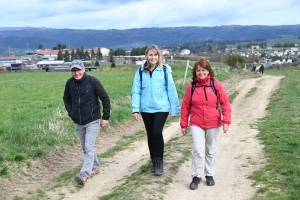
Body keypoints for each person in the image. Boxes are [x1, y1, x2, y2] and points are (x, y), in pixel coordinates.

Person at [180, 58, 231, 190]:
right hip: (196, 122)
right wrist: (183, 123)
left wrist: (226, 121)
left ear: (208, 71)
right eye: (198, 70)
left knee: (211, 149)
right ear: (195, 72)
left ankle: (209, 175)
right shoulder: (192, 86)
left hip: (214, 122)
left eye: (203, 70)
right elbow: (185, 106)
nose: (201, 72)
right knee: (198, 150)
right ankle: (196, 176)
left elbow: (225, 103)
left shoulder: (215, 84)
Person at [131, 45, 179, 176]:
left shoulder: (164, 70)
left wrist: (174, 109)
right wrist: (135, 109)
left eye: (155, 55)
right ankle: (153, 160)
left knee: (156, 132)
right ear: (146, 56)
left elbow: (171, 89)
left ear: (159, 56)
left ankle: (159, 162)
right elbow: (136, 91)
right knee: (150, 134)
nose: (153, 57)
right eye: (150, 55)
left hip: (161, 107)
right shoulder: (140, 71)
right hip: (146, 108)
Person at [63, 59, 111, 186]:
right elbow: (66, 98)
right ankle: (95, 166)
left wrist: (106, 117)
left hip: (92, 120)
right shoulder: (69, 83)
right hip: (78, 121)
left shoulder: (92, 81)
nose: (76, 73)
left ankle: (84, 174)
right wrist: (71, 112)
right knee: (86, 148)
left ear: (84, 69)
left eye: (78, 70)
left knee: (88, 147)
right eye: (74, 70)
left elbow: (105, 98)